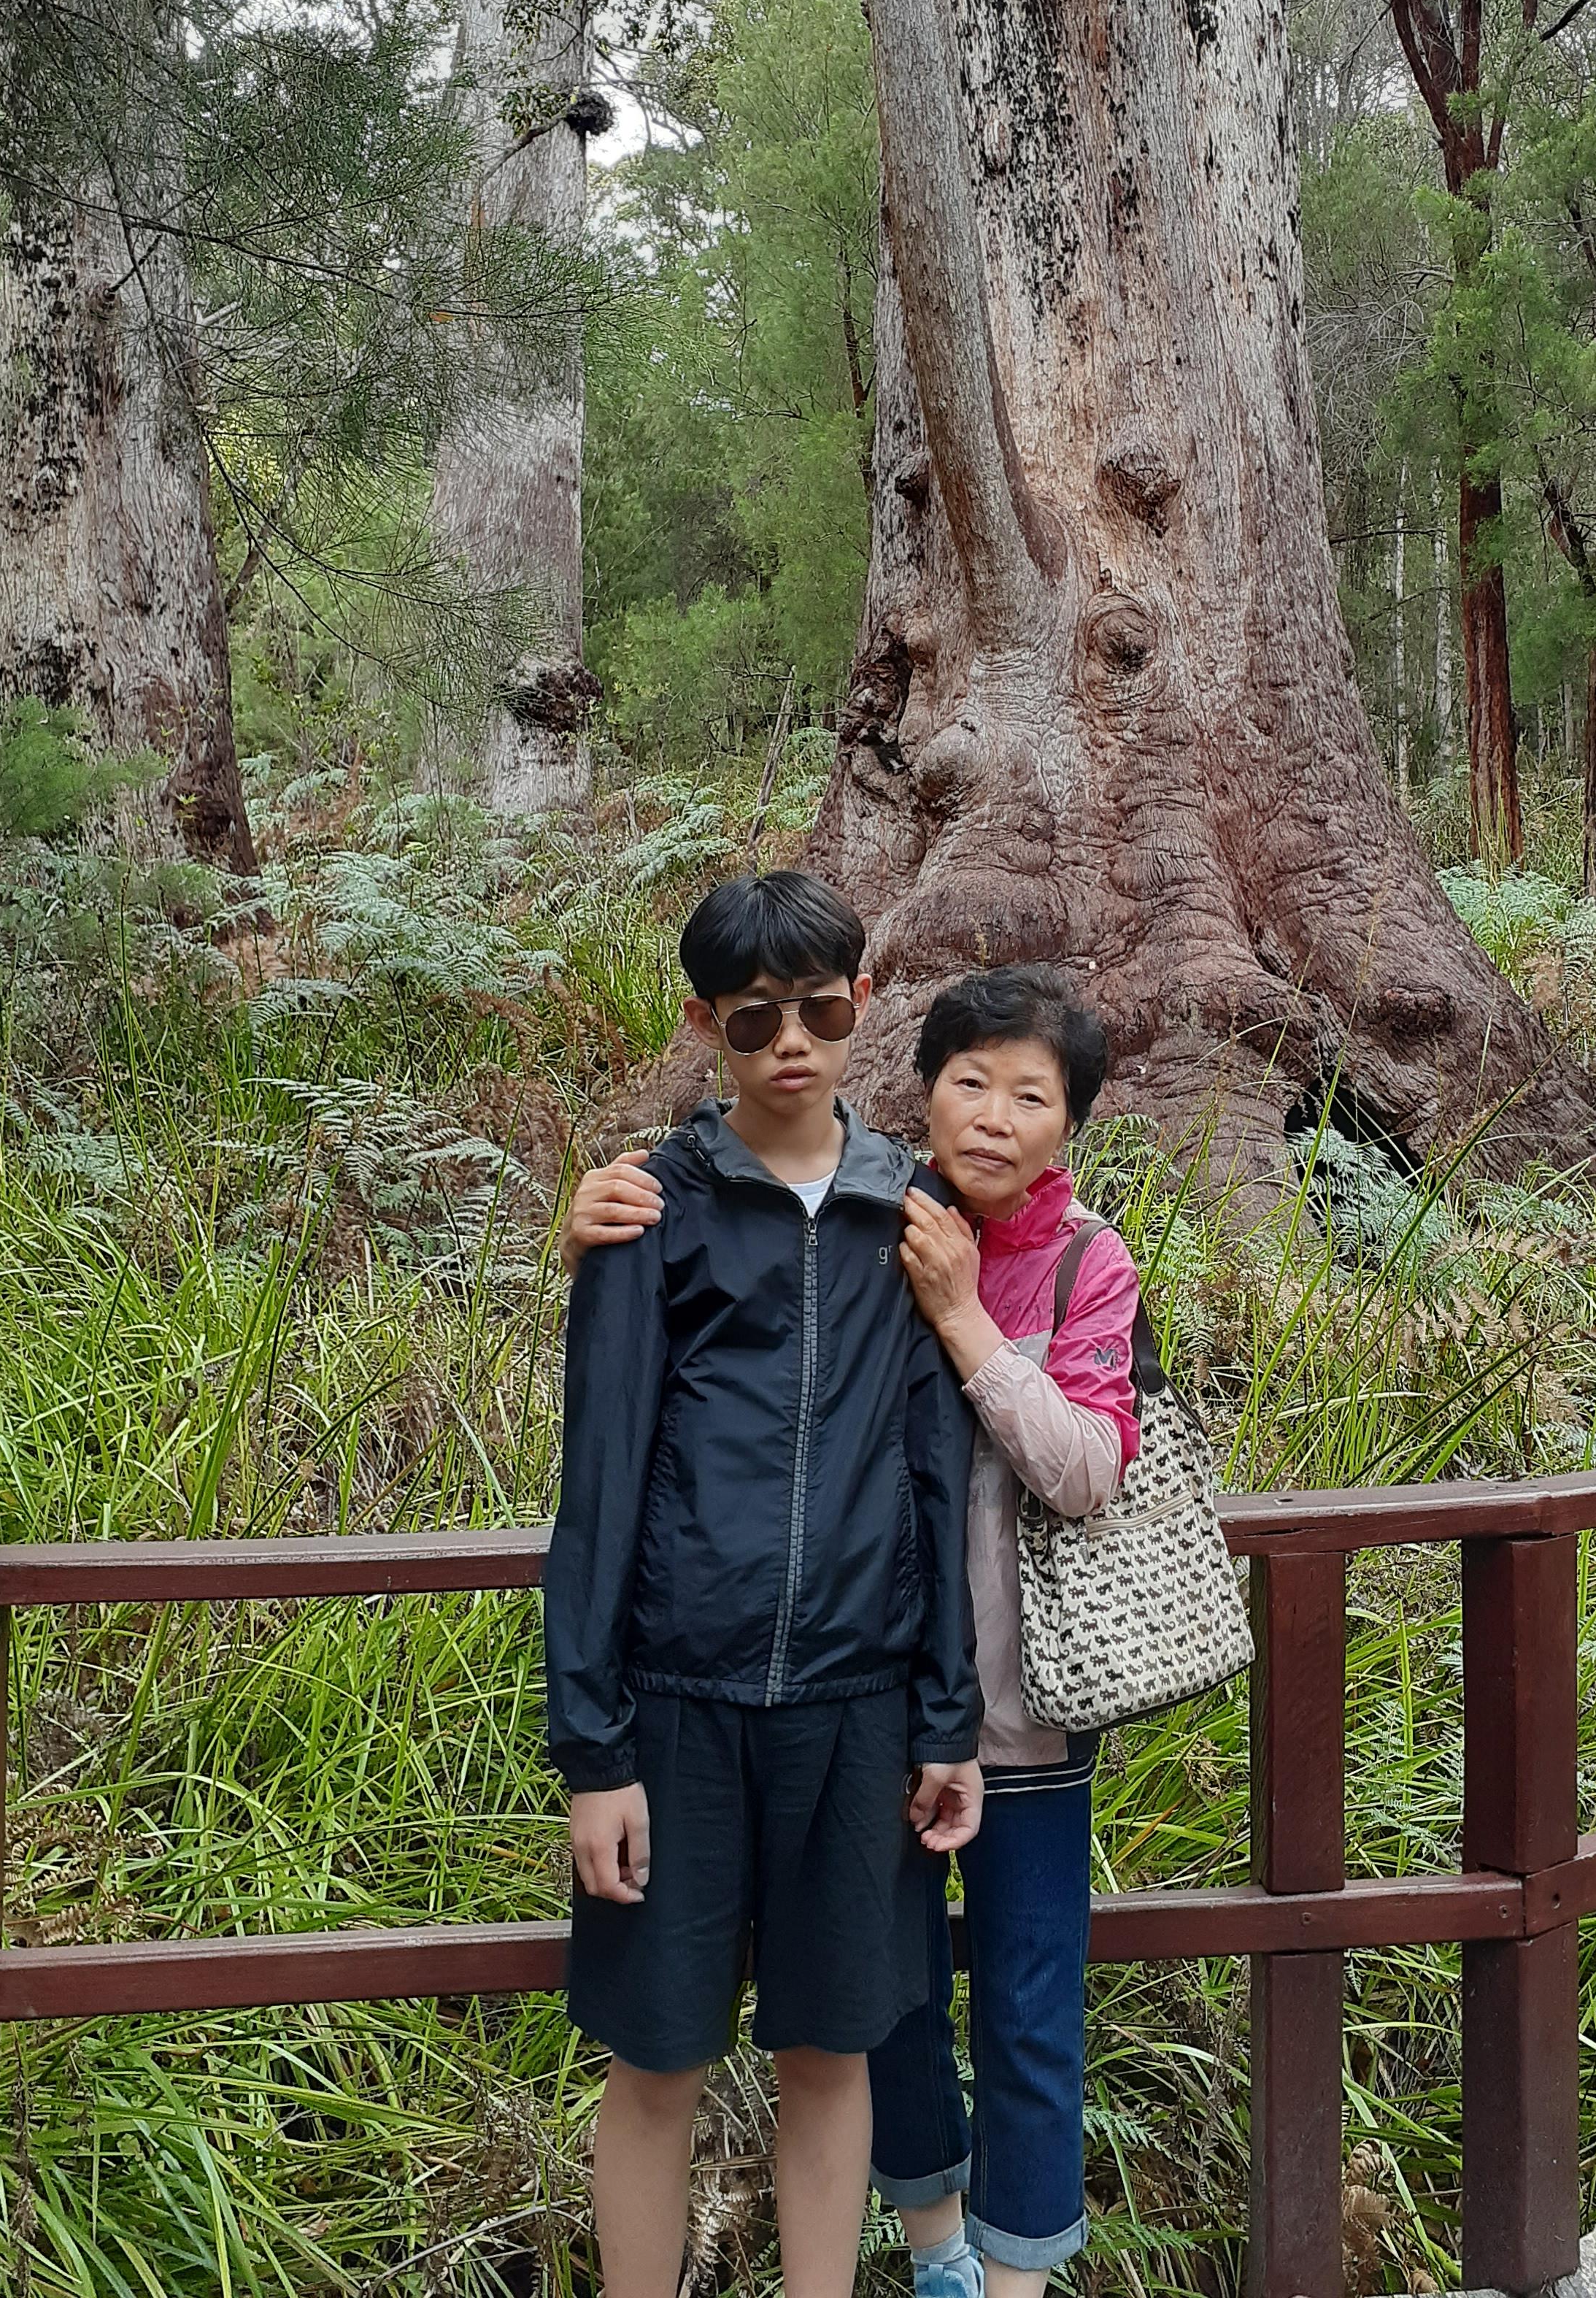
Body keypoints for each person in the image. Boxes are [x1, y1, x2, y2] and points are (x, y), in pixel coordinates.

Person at [564, 961, 1140, 2298]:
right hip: (851, 1705)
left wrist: (963, 1317)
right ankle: (938, 2260)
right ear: (924, 1090)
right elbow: (640, 1409)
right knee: (885, 2017)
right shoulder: (864, 1209)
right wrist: (587, 1233)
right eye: (971, 1084)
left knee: (1023, 2012)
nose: (996, 1117)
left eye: (1032, 1096)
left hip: (1012, 1708)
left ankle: (1012, 2282)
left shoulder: (1055, 1255)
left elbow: (1079, 1470)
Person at [544, 869, 984, 2298]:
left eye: (818, 1010)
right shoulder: (650, 1210)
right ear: (705, 1025)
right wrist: (594, 1751)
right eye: (752, 1018)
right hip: (676, 1708)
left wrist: (946, 1719)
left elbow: (936, 1478)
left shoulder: (912, 1212)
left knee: (830, 2053)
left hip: (858, 1711)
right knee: (657, 2060)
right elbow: (599, 1485)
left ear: (863, 1004)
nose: (790, 1042)